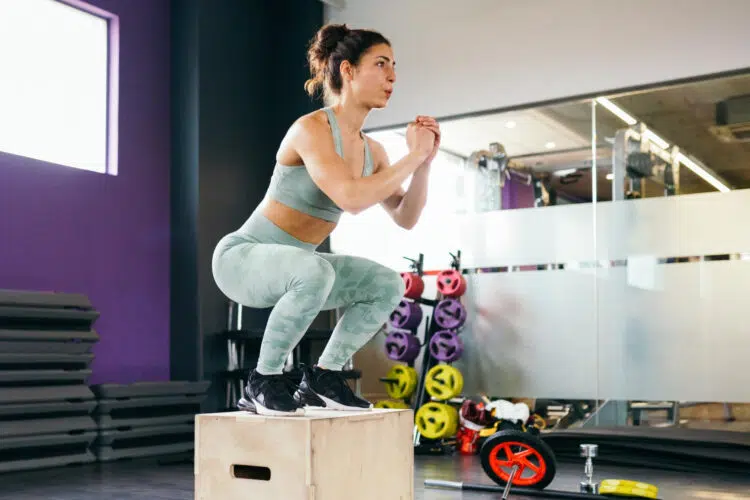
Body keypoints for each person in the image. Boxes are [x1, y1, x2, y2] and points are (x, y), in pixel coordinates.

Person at [211, 23, 441, 416]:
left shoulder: (374, 151)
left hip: (300, 267)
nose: (392, 76)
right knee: (313, 270)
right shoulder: (312, 129)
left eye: (394, 66)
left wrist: (424, 165)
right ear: (348, 70)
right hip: (243, 260)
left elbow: (405, 217)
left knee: (386, 284)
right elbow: (351, 199)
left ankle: (323, 376)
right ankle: (262, 380)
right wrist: (412, 157)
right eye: (381, 64)